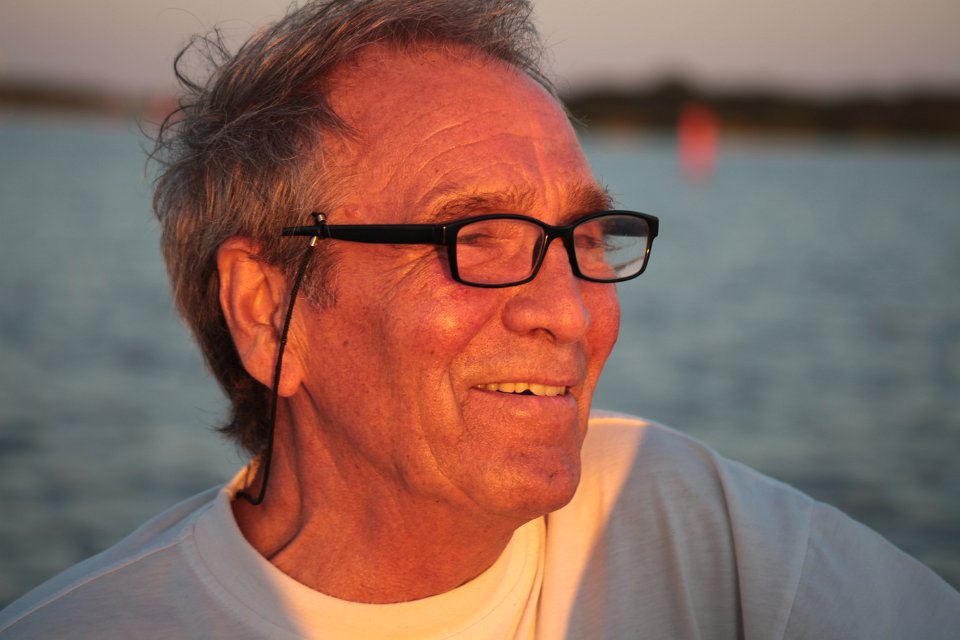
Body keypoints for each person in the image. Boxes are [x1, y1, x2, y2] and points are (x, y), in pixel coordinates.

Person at [1, 0, 957, 637]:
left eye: (585, 237)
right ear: (267, 308)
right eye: (475, 236)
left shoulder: (690, 528)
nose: (570, 311)